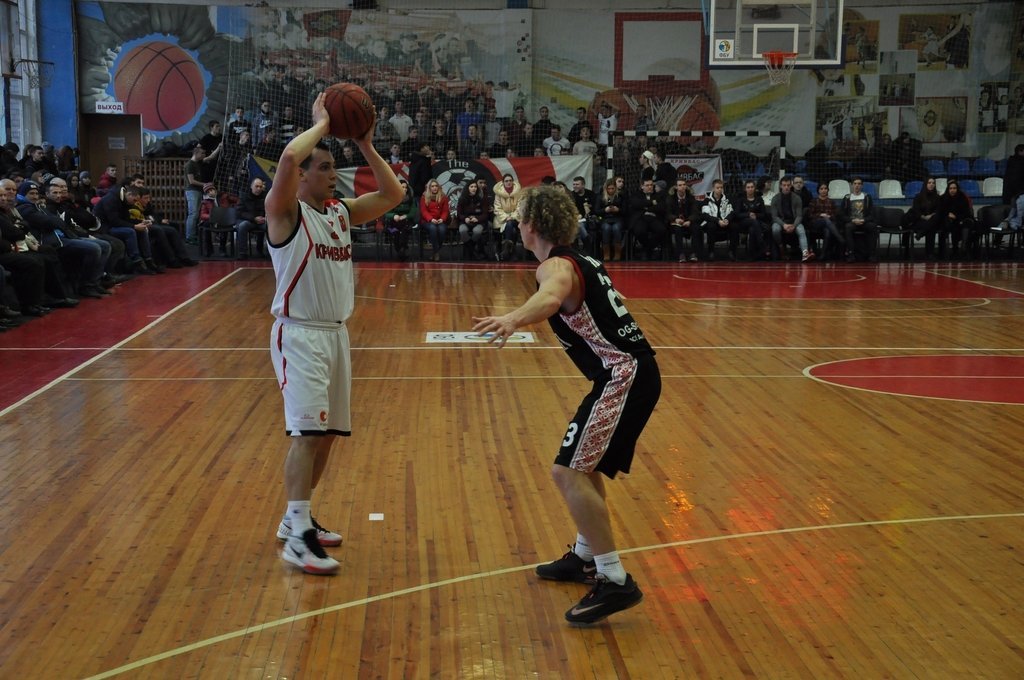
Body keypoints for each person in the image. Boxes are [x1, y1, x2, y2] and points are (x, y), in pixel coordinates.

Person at [471, 185, 660, 625]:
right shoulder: (581, 259)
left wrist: (512, 318)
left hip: (624, 373)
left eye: (520, 218)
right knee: (583, 467)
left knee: (567, 471)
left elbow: (551, 296)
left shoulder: (554, 265)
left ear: (532, 225)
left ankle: (613, 578)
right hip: (628, 373)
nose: (517, 225)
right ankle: (585, 556)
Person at [265, 91, 403, 575]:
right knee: (306, 435)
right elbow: (288, 157)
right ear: (302, 176)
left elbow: (393, 196)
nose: (332, 174)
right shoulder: (284, 212)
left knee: (325, 437)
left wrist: (365, 144)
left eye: (332, 167)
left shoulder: (340, 212)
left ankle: (295, 519)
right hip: (299, 335)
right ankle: (299, 539)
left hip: (336, 335)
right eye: (323, 167)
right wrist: (323, 123)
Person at [905, 177, 943, 259]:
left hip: (932, 219)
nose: (931, 184)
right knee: (931, 226)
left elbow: (938, 210)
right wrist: (924, 217)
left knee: (933, 222)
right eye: (929, 183)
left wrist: (931, 216)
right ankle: (930, 253)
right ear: (925, 184)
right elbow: (915, 210)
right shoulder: (918, 197)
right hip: (919, 221)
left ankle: (921, 233)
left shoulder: (937, 197)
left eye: (933, 183)